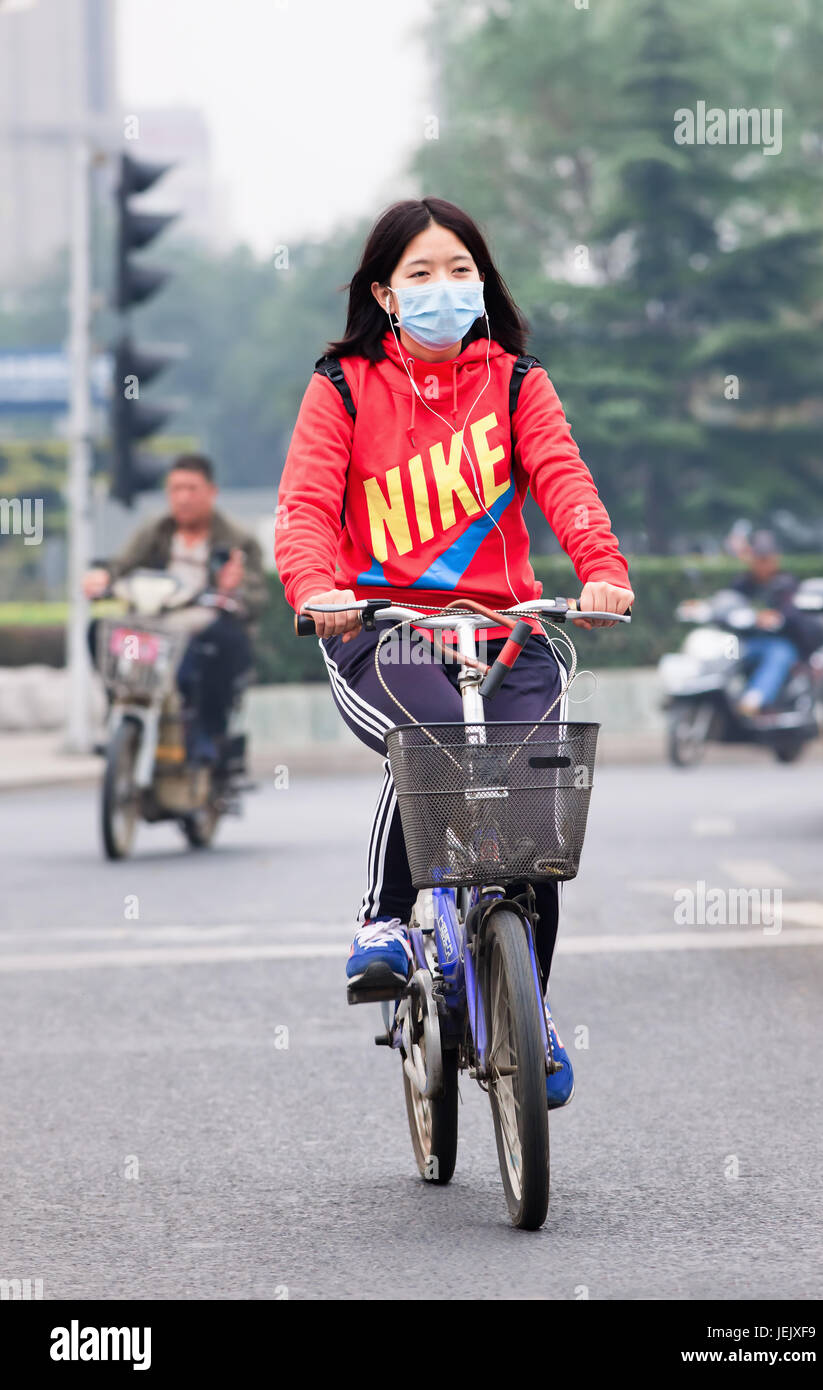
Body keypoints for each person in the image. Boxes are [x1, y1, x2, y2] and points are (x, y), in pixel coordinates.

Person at [275, 197, 633, 1109]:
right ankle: (386, 919)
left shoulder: (516, 382)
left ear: (485, 281)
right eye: (421, 274)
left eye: (461, 269)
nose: (444, 287)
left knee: (529, 817)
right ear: (386, 295)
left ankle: (530, 1003)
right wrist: (317, 592)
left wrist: (601, 570)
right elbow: (308, 509)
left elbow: (565, 480)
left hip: (506, 634)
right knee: (434, 741)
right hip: (382, 632)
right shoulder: (345, 385)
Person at [83, 454, 267, 762]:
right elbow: (120, 566)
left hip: (204, 622)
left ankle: (208, 733)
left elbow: (257, 595)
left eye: (192, 489)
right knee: (100, 631)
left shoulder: (238, 538)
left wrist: (235, 587)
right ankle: (120, 714)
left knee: (222, 641)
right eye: (175, 489)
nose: (183, 498)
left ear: (212, 492)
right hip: (154, 622)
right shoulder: (155, 530)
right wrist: (102, 578)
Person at [731, 530, 822, 715]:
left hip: (780, 643)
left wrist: (775, 616)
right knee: (723, 652)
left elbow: (793, 612)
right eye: (759, 558)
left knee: (778, 654)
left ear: (775, 559)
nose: (762, 564)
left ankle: (755, 698)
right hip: (746, 643)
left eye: (766, 558)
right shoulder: (742, 583)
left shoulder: (786, 583)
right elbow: (729, 603)